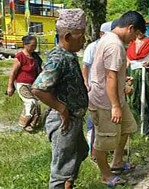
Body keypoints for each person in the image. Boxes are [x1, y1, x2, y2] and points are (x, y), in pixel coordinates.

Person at [31, 9, 88, 189]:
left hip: (74, 118)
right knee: (61, 169)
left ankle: (68, 184)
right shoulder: (58, 58)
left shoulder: (68, 56)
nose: (84, 40)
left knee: (81, 151)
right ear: (69, 36)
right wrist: (61, 108)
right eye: (81, 36)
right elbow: (38, 88)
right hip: (64, 121)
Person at [88, 11, 145, 187]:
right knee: (104, 140)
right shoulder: (114, 45)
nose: (135, 40)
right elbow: (110, 77)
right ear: (130, 28)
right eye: (136, 35)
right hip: (105, 102)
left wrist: (123, 83)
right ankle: (106, 175)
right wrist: (115, 106)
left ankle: (117, 163)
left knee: (128, 126)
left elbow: (113, 74)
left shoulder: (111, 40)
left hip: (116, 98)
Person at [82, 21, 112, 159]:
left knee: (106, 120)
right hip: (94, 88)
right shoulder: (92, 47)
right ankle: (92, 150)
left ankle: (105, 149)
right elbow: (86, 66)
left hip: (108, 89)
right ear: (101, 34)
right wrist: (86, 83)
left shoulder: (112, 47)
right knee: (94, 121)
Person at [7, 35, 42, 132]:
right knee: (30, 102)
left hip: (33, 85)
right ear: (25, 45)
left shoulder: (35, 57)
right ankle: (22, 125)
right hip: (22, 84)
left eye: (35, 45)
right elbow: (13, 72)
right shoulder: (20, 56)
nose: (34, 47)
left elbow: (39, 71)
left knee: (37, 104)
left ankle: (32, 124)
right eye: (32, 45)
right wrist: (10, 87)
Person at [126, 30, 149, 134]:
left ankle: (147, 128)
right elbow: (127, 60)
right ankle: (136, 126)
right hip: (134, 74)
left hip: (146, 72)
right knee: (135, 100)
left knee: (148, 101)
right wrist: (125, 73)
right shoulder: (131, 42)